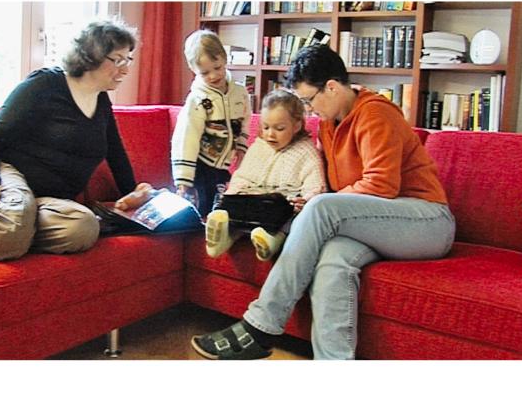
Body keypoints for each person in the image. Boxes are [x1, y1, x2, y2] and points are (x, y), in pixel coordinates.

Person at [190, 44, 456, 360]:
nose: (308, 109)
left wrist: (318, 205)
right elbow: (332, 185)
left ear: (331, 87)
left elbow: (381, 185)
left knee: (321, 208)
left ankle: (261, 326)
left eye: (309, 100)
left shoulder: (376, 113)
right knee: (332, 262)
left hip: (425, 221)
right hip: (373, 225)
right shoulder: (329, 124)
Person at [0, 20, 147, 264]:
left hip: (42, 203)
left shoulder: (101, 101)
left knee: (83, 227)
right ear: (91, 54)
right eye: (118, 60)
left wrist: (134, 195)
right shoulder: (45, 84)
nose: (126, 70)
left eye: (128, 59)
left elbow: (116, 154)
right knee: (14, 218)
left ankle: (6, 235)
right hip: (1, 179)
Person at [205, 88, 326, 261]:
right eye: (266, 127)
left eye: (279, 128)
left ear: (297, 126)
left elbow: (316, 186)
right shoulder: (258, 147)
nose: (270, 134)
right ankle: (224, 238)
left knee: (293, 220)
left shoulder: (306, 152)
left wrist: (305, 200)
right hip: (252, 204)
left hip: (281, 208)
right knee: (233, 210)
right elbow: (242, 176)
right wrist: (233, 193)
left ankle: (271, 241)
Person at [171, 29, 252, 217]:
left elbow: (245, 120)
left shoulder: (240, 93)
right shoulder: (197, 99)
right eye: (205, 72)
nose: (213, 76)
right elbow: (186, 138)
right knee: (201, 208)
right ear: (194, 70)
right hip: (199, 165)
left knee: (222, 206)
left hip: (222, 166)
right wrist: (183, 179)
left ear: (225, 58)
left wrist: (241, 146)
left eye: (217, 67)